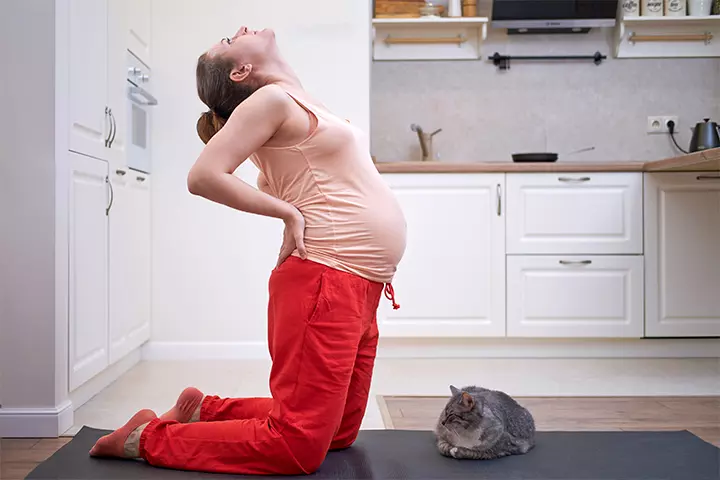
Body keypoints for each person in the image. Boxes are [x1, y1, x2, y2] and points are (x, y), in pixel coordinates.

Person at [88, 25, 407, 475]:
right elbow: (203, 176)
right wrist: (288, 214)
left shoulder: (296, 102)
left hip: (360, 285)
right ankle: (145, 439)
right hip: (325, 282)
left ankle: (204, 410)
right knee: (297, 447)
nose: (237, 30)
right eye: (226, 40)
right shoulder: (270, 100)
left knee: (339, 433)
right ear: (241, 70)